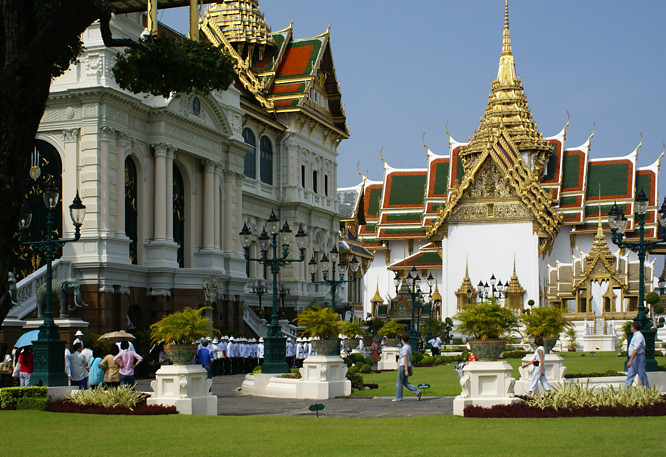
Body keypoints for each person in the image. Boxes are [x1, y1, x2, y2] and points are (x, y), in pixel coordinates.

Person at [393, 334, 422, 402]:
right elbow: (409, 358)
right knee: (405, 382)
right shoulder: (409, 347)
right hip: (408, 365)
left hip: (403, 366)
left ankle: (399, 397)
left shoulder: (404, 348)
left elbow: (405, 358)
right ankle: (417, 391)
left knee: (399, 382)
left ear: (402, 340)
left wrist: (406, 370)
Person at [625, 320, 649, 389]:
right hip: (635, 357)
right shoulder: (635, 335)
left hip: (638, 357)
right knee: (630, 375)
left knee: (642, 375)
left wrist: (630, 360)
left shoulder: (638, 336)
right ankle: (626, 391)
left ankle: (647, 390)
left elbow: (635, 349)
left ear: (633, 328)